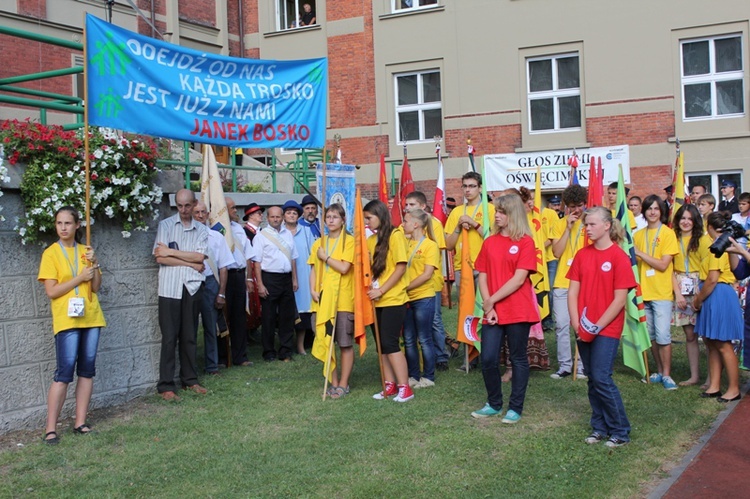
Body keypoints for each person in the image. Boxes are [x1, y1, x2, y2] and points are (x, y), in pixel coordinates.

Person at [567, 207, 636, 448]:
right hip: (582, 326)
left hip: (606, 328)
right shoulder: (582, 255)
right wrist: (577, 323)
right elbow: (572, 291)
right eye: (586, 225)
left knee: (601, 377)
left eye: (592, 224)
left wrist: (595, 327)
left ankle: (620, 430)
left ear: (607, 226)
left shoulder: (619, 257)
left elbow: (619, 300)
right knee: (592, 379)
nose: (587, 229)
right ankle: (599, 427)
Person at [39, 207, 106, 444]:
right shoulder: (51, 254)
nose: (63, 228)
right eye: (59, 223)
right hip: (67, 320)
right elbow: (52, 291)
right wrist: (79, 278)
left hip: (91, 316)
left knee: (87, 370)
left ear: (78, 225)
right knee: (64, 373)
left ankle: (80, 422)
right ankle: (50, 429)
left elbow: (95, 286)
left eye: (68, 223)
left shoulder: (85, 250)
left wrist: (95, 265)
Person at [470, 194, 540, 423]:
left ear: (513, 215)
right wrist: (488, 305)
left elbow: (519, 279)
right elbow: (483, 274)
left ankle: (515, 407)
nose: (497, 216)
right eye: (496, 212)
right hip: (493, 311)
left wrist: (491, 301)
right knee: (488, 358)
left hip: (518, 309)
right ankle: (494, 403)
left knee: (518, 358)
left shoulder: (526, 242)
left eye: (502, 212)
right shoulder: (489, 241)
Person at [153, 189, 209, 401]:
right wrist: (190, 262)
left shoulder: (201, 230)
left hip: (192, 287)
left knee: (189, 335)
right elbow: (160, 258)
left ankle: (190, 380)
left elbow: (200, 257)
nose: (184, 210)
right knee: (169, 337)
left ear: (194, 204)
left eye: (187, 205)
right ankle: (166, 385)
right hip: (169, 288)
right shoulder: (165, 226)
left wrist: (172, 252)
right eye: (180, 206)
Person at [364, 200, 413, 402]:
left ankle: (405, 387)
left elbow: (400, 267)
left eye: (369, 218)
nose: (367, 222)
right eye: (365, 218)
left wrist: (382, 290)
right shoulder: (370, 240)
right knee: (381, 346)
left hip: (393, 299)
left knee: (390, 343)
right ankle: (389, 384)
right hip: (375, 300)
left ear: (380, 215)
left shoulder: (396, 235)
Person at [695, 212, 743, 402]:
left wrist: (698, 299)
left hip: (718, 294)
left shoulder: (718, 247)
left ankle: (733, 388)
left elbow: (712, 279)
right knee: (711, 342)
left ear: (710, 227)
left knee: (722, 344)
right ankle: (714, 385)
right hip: (715, 294)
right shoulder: (716, 245)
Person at [309, 204, 355, 397]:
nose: (330, 220)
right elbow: (313, 268)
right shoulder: (319, 242)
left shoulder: (349, 242)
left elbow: (344, 268)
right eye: (328, 217)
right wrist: (312, 289)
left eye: (335, 217)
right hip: (322, 300)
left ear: (343, 220)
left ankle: (343, 383)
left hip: (343, 299)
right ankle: (333, 381)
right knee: (326, 341)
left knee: (344, 343)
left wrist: (326, 257)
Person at [634, 195, 679, 390]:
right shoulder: (637, 235)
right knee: (651, 335)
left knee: (663, 335)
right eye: (649, 208)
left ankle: (667, 374)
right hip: (643, 292)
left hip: (661, 292)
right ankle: (659, 371)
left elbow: (663, 265)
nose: (652, 212)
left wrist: (641, 253)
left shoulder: (668, 234)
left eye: (656, 209)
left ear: (662, 212)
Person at [404, 191, 449, 371]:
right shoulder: (405, 235)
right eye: (406, 205)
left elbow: (436, 251)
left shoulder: (434, 227)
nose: (407, 208)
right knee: (411, 334)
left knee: (434, 322)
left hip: (427, 287)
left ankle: (440, 356)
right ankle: (415, 369)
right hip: (408, 292)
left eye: (411, 205)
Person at [549, 184, 588, 379]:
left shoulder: (590, 222)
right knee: (562, 324)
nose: (575, 210)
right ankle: (565, 365)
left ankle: (581, 365)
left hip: (584, 282)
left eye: (579, 205)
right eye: (571, 206)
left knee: (582, 325)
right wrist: (568, 228)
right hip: (563, 282)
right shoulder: (560, 222)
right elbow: (556, 252)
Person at [252, 206, 299, 362]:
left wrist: (294, 279)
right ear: (267, 218)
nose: (276, 219)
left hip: (286, 278)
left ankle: (286, 351)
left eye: (278, 217)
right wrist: (260, 284)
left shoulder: (288, 235)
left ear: (282, 217)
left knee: (287, 316)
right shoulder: (260, 236)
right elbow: (257, 262)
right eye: (272, 217)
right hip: (269, 279)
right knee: (269, 317)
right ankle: (269, 352)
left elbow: (293, 258)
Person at [671, 204, 710, 386]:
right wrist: (677, 293)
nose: (686, 222)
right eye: (683, 218)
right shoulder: (672, 237)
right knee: (690, 335)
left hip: (699, 285)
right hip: (680, 285)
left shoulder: (703, 240)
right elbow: (669, 268)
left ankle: (712, 376)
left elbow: (708, 268)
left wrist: (700, 295)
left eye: (689, 218)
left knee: (708, 335)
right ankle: (694, 376)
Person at [193, 201, 234, 375]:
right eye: (197, 212)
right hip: (192, 282)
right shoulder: (186, 235)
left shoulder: (216, 237)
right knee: (190, 327)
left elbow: (223, 267)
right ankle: (191, 367)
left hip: (210, 282)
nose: (200, 215)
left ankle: (212, 365)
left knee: (211, 327)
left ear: (208, 214)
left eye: (203, 212)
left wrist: (221, 293)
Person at [402, 209, 440, 389]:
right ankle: (413, 375)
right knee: (408, 338)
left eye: (406, 221)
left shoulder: (430, 245)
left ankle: (429, 376)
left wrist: (405, 287)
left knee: (424, 338)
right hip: (406, 298)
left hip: (423, 297)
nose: (403, 224)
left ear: (416, 224)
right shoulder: (404, 242)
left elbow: (426, 275)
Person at [222, 197, 253, 367]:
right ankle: (222, 356)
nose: (235, 211)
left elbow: (247, 254)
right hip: (225, 276)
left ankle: (240, 355)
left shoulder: (239, 229)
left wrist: (248, 277)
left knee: (239, 316)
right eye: (232, 208)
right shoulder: (216, 229)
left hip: (240, 275)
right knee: (223, 315)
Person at [284, 199, 315, 355]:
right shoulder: (280, 232)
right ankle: (286, 345)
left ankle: (301, 345)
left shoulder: (306, 231)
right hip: (284, 276)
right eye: (288, 213)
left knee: (304, 312)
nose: (291, 215)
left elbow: (312, 254)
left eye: (294, 213)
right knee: (287, 312)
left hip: (304, 275)